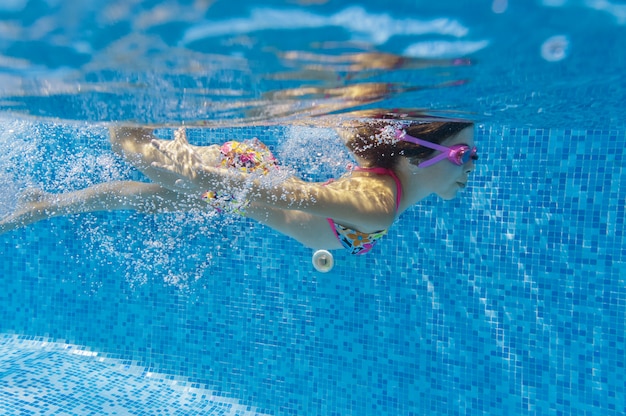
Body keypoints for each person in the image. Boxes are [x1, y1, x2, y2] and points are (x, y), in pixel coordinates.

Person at [0, 115, 477, 254]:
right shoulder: (378, 206)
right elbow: (298, 196)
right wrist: (207, 176)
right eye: (465, 153)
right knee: (146, 164)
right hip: (243, 180)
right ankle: (121, 128)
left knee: (148, 200)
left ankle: (43, 203)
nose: (472, 165)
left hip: (243, 187)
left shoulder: (389, 177)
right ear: (421, 155)